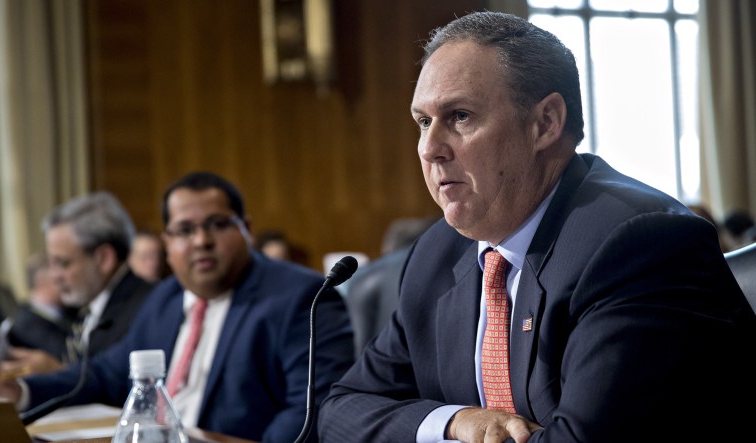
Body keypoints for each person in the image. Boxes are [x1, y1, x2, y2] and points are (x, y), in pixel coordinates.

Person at [318, 11, 756, 443]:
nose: (430, 149)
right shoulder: (437, 254)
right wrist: (453, 423)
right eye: (423, 122)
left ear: (545, 123)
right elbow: (340, 411)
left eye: (460, 116)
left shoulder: (639, 244)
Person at [0, 172, 354, 443]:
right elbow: (105, 374)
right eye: (184, 230)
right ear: (167, 242)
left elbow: (313, 411)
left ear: (247, 229)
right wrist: (20, 391)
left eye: (216, 225)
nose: (201, 241)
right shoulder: (165, 297)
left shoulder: (302, 297)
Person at [0, 192, 155, 375]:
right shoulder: (89, 307)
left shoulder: (146, 308)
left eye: (63, 263)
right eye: (51, 263)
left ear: (103, 259)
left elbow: (124, 388)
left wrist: (58, 372)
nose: (54, 276)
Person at [343, 216, 437, 356]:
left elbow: (357, 349)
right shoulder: (435, 267)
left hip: (377, 369)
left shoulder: (363, 276)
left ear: (388, 245)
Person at [4, 252, 71, 366]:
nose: (66, 282)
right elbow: (66, 355)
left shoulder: (71, 311)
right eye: (58, 278)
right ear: (42, 282)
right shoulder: (26, 322)